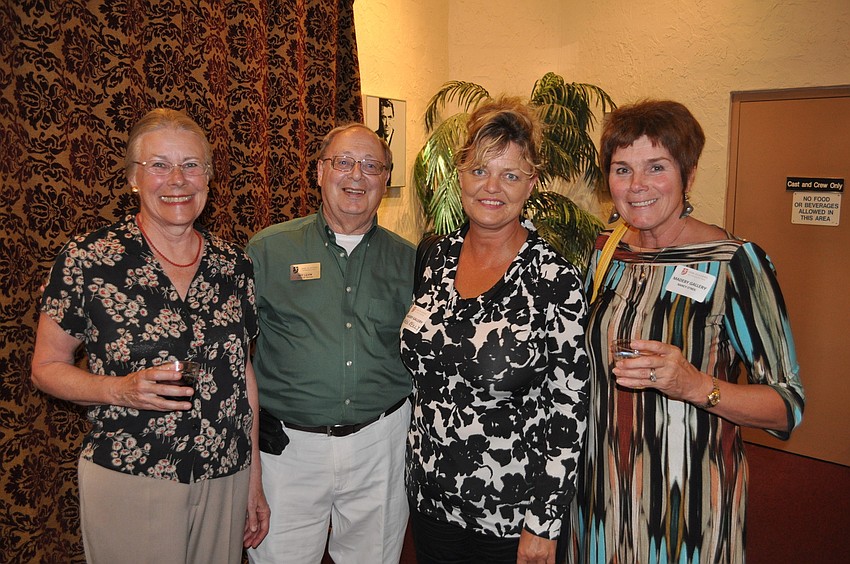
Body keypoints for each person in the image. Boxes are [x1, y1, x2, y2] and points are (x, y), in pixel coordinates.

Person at [568, 100, 805, 563]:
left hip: (687, 499)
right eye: (622, 170)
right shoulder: (606, 252)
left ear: (688, 174)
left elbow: (787, 406)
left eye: (656, 167)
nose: (637, 186)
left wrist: (696, 386)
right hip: (600, 491)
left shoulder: (733, 264)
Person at [31, 108, 269, 563]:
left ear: (208, 177)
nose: (177, 179)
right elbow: (45, 368)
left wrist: (253, 478)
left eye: (192, 165)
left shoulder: (234, 265)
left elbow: (242, 376)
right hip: (130, 474)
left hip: (224, 476)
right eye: (159, 165)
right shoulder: (90, 259)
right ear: (133, 179)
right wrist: (118, 390)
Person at [400, 97, 590, 564]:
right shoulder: (436, 259)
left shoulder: (554, 279)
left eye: (510, 175)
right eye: (480, 170)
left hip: (509, 515)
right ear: (459, 175)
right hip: (431, 499)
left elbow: (569, 409)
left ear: (533, 183)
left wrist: (544, 524)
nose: (492, 187)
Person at [246, 123, 415, 564]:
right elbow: (233, 355)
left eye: (371, 166)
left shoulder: (411, 261)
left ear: (385, 179)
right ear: (319, 172)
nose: (356, 175)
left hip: (381, 446)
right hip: (289, 453)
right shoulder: (267, 251)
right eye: (343, 162)